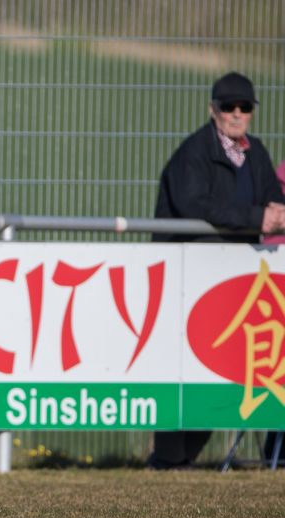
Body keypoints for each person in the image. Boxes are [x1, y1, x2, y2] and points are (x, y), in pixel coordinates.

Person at [150, 71, 285, 469]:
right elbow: (197, 206)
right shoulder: (193, 153)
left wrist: (274, 212)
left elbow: (270, 200)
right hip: (187, 275)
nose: (237, 114)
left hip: (230, 278)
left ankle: (184, 457)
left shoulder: (255, 154)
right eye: (229, 107)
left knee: (219, 367)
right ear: (213, 110)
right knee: (182, 367)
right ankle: (169, 459)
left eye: (245, 107)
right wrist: (257, 217)